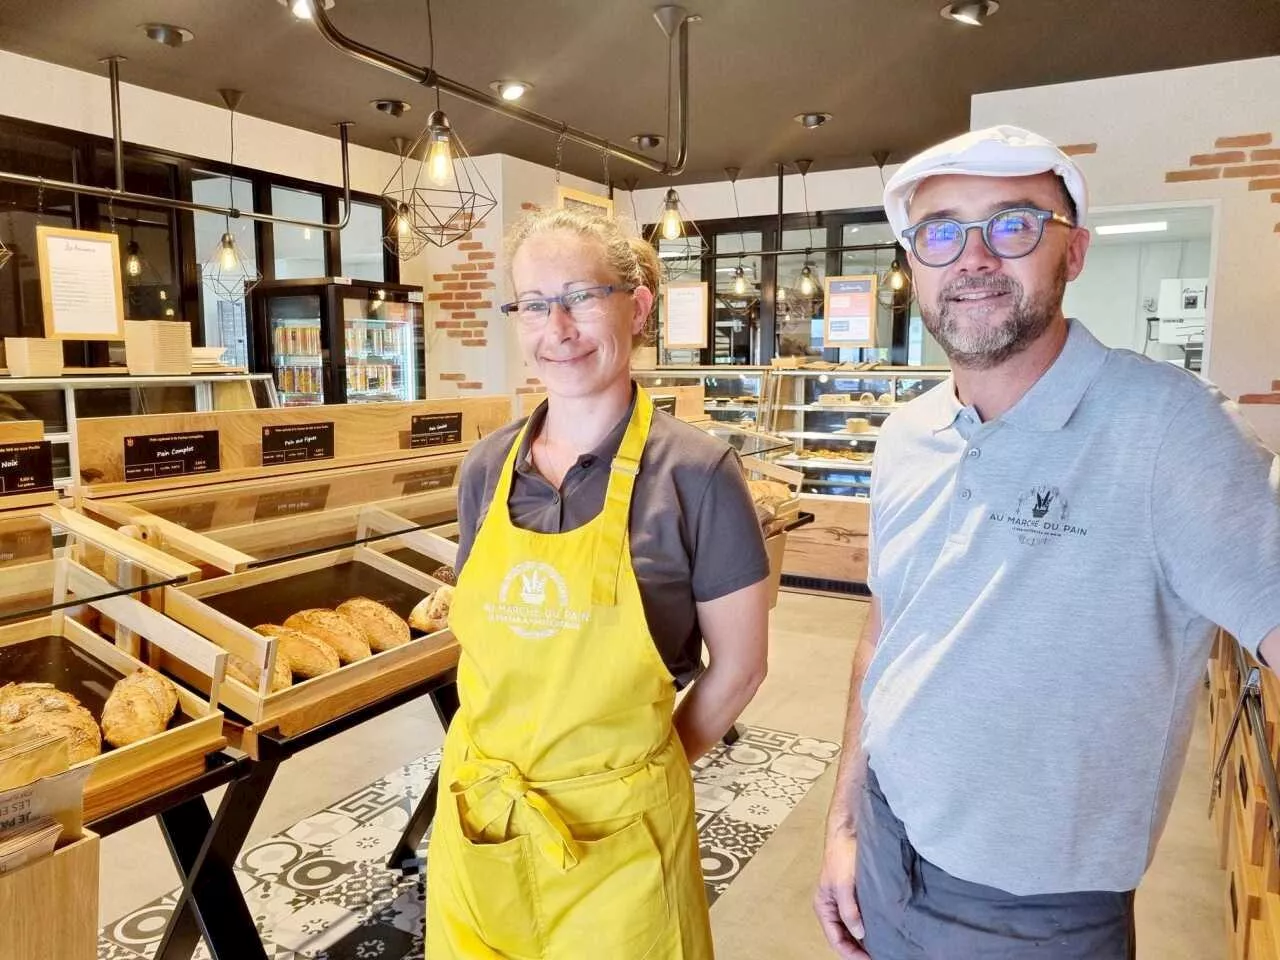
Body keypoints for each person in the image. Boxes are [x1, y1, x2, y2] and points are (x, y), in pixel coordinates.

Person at [813, 125, 1280, 959]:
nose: (975, 256)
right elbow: (887, 633)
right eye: (941, 232)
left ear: (1074, 254)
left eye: (1015, 223)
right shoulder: (906, 432)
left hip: (1039, 914)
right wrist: (844, 823)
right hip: (890, 847)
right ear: (915, 263)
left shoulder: (1170, 429)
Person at [426, 206, 772, 959]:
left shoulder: (699, 475)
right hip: (481, 820)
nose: (559, 327)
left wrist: (646, 777)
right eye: (534, 304)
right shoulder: (485, 469)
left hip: (623, 845)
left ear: (637, 305)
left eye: (581, 296)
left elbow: (741, 669)